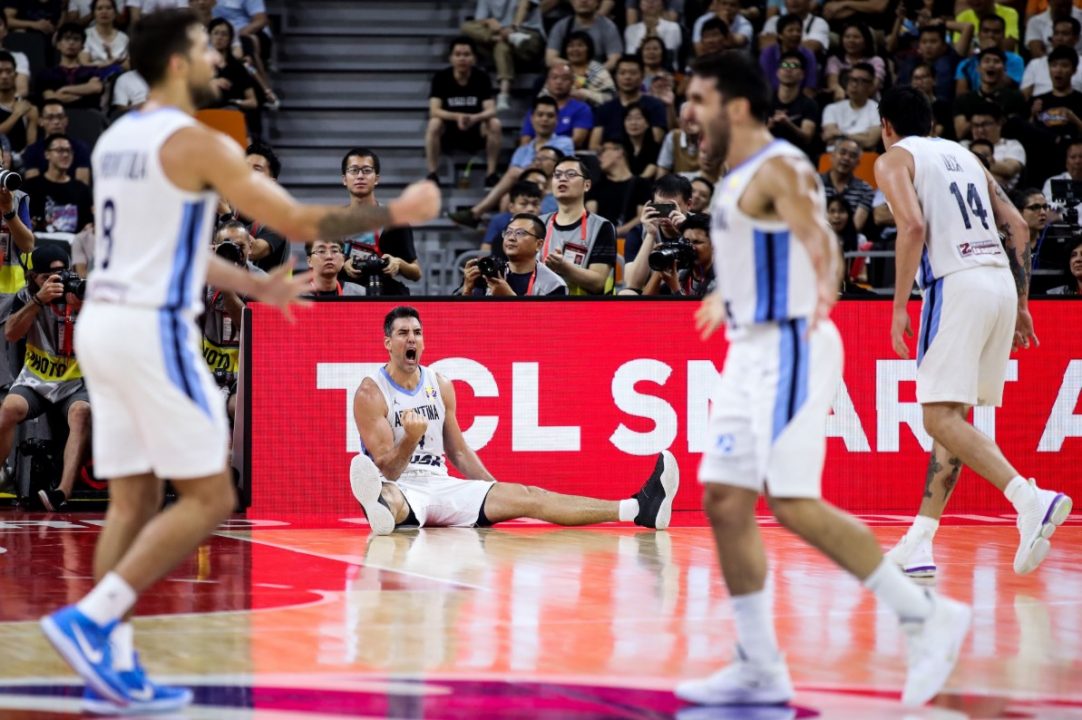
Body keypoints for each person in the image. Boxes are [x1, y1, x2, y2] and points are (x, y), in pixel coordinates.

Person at [38, 9, 440, 715]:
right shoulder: (195, 141)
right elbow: (299, 224)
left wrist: (256, 284)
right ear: (174, 63)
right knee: (213, 495)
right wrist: (399, 206)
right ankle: (93, 618)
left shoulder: (114, 139)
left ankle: (113, 666)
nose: (214, 58)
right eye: (201, 47)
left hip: (101, 322)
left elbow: (169, 245)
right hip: (152, 329)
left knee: (133, 500)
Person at [674, 51, 970, 710]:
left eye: (699, 100)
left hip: (789, 344)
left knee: (790, 502)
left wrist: (819, 293)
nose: (689, 113)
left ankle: (924, 614)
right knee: (723, 499)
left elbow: (820, 242)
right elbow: (764, 250)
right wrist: (729, 293)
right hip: (748, 347)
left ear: (737, 107)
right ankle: (758, 663)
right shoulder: (732, 175)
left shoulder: (781, 165)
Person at [875, 85, 1072, 582]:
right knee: (953, 417)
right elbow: (1018, 226)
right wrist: (1023, 303)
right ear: (933, 123)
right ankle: (920, 538)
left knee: (939, 418)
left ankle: (1029, 498)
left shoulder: (894, 159)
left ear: (886, 126)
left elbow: (913, 227)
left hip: (956, 283)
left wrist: (899, 306)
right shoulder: (962, 155)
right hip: (1000, 284)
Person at [350, 306, 675, 535]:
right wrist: (409, 437)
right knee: (390, 495)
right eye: (403, 333)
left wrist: (494, 490)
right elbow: (388, 469)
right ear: (388, 343)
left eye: (417, 333)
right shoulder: (371, 392)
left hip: (442, 483)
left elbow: (459, 453)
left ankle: (637, 509)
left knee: (530, 496)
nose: (412, 340)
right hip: (403, 484)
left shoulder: (440, 383)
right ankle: (381, 509)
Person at [0, 244, 91, 512]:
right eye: (47, 277)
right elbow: (11, 334)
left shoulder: (82, 292)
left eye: (63, 273)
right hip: (36, 381)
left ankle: (62, 491)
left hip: (74, 382)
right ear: (33, 277)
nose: (57, 282)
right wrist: (38, 300)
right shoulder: (26, 295)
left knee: (81, 413)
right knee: (9, 409)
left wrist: (85, 308)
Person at [338, 147, 422, 297]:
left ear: (376, 178)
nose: (360, 176)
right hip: (345, 300)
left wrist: (399, 263)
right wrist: (343, 265)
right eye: (354, 170)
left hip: (386, 296)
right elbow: (318, 263)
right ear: (344, 179)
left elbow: (416, 273)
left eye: (367, 170)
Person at [425, 36, 502, 188]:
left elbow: (491, 110)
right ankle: (433, 174)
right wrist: (457, 116)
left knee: (495, 123)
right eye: (458, 54)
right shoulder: (441, 78)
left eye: (466, 54)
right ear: (451, 58)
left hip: (475, 127)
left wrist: (474, 118)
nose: (462, 58)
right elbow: (434, 110)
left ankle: (491, 174)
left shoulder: (481, 78)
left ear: (473, 58)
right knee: (434, 123)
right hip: (449, 130)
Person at [539, 155, 617, 294]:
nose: (562, 179)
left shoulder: (602, 227)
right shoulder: (538, 224)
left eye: (571, 174)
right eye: (557, 175)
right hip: (539, 305)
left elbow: (599, 283)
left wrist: (565, 268)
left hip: (583, 309)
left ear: (587, 185)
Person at [460, 213, 569, 296]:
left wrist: (510, 298)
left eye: (520, 233)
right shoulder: (490, 274)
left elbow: (548, 324)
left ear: (539, 244)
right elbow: (470, 320)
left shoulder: (554, 284)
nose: (511, 238)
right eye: (508, 232)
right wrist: (467, 290)